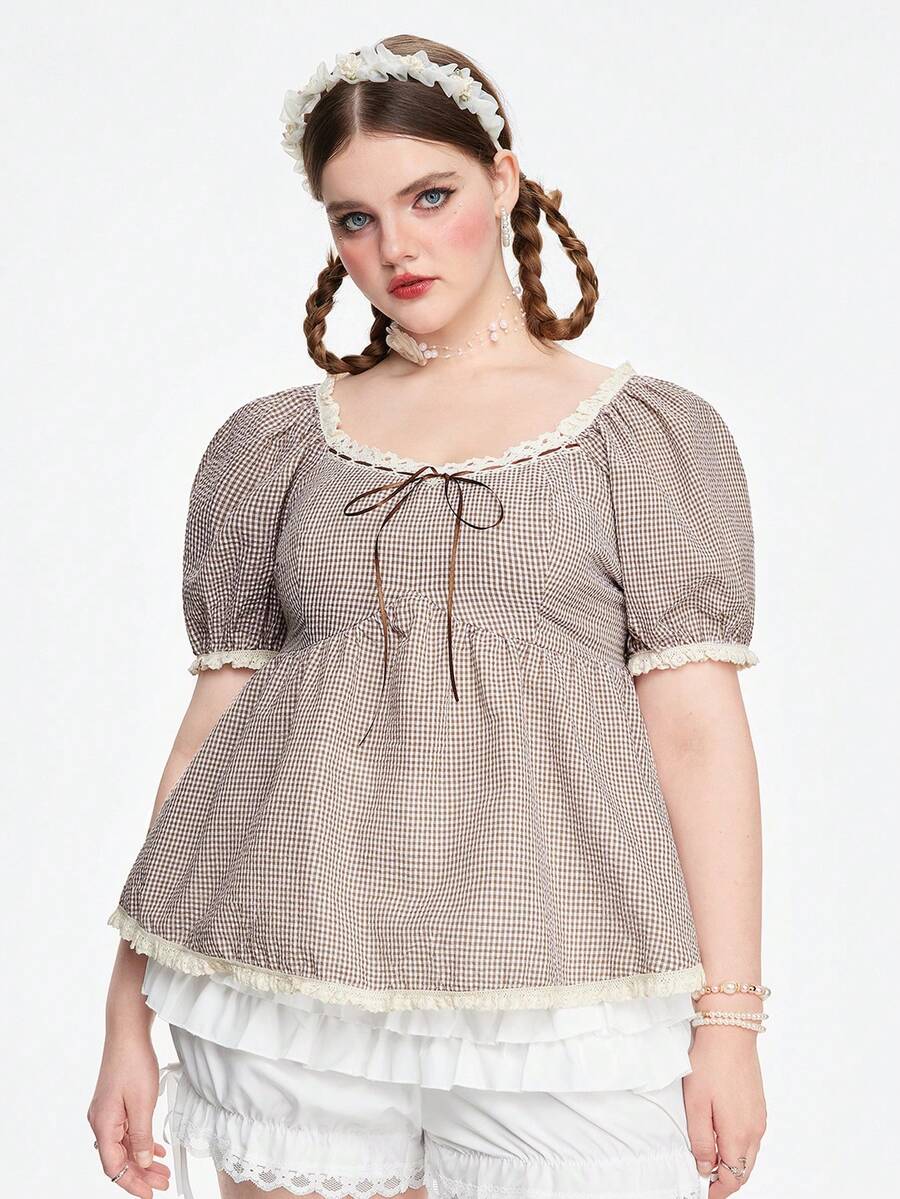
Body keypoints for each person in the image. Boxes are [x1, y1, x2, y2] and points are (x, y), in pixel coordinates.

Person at [87, 34, 769, 1199]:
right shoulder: (274, 444)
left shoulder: (646, 437)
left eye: (429, 196)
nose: (394, 246)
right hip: (285, 977)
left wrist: (732, 1020)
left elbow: (698, 737)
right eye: (354, 218)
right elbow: (209, 747)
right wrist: (126, 1016)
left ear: (502, 179)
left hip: (563, 990)